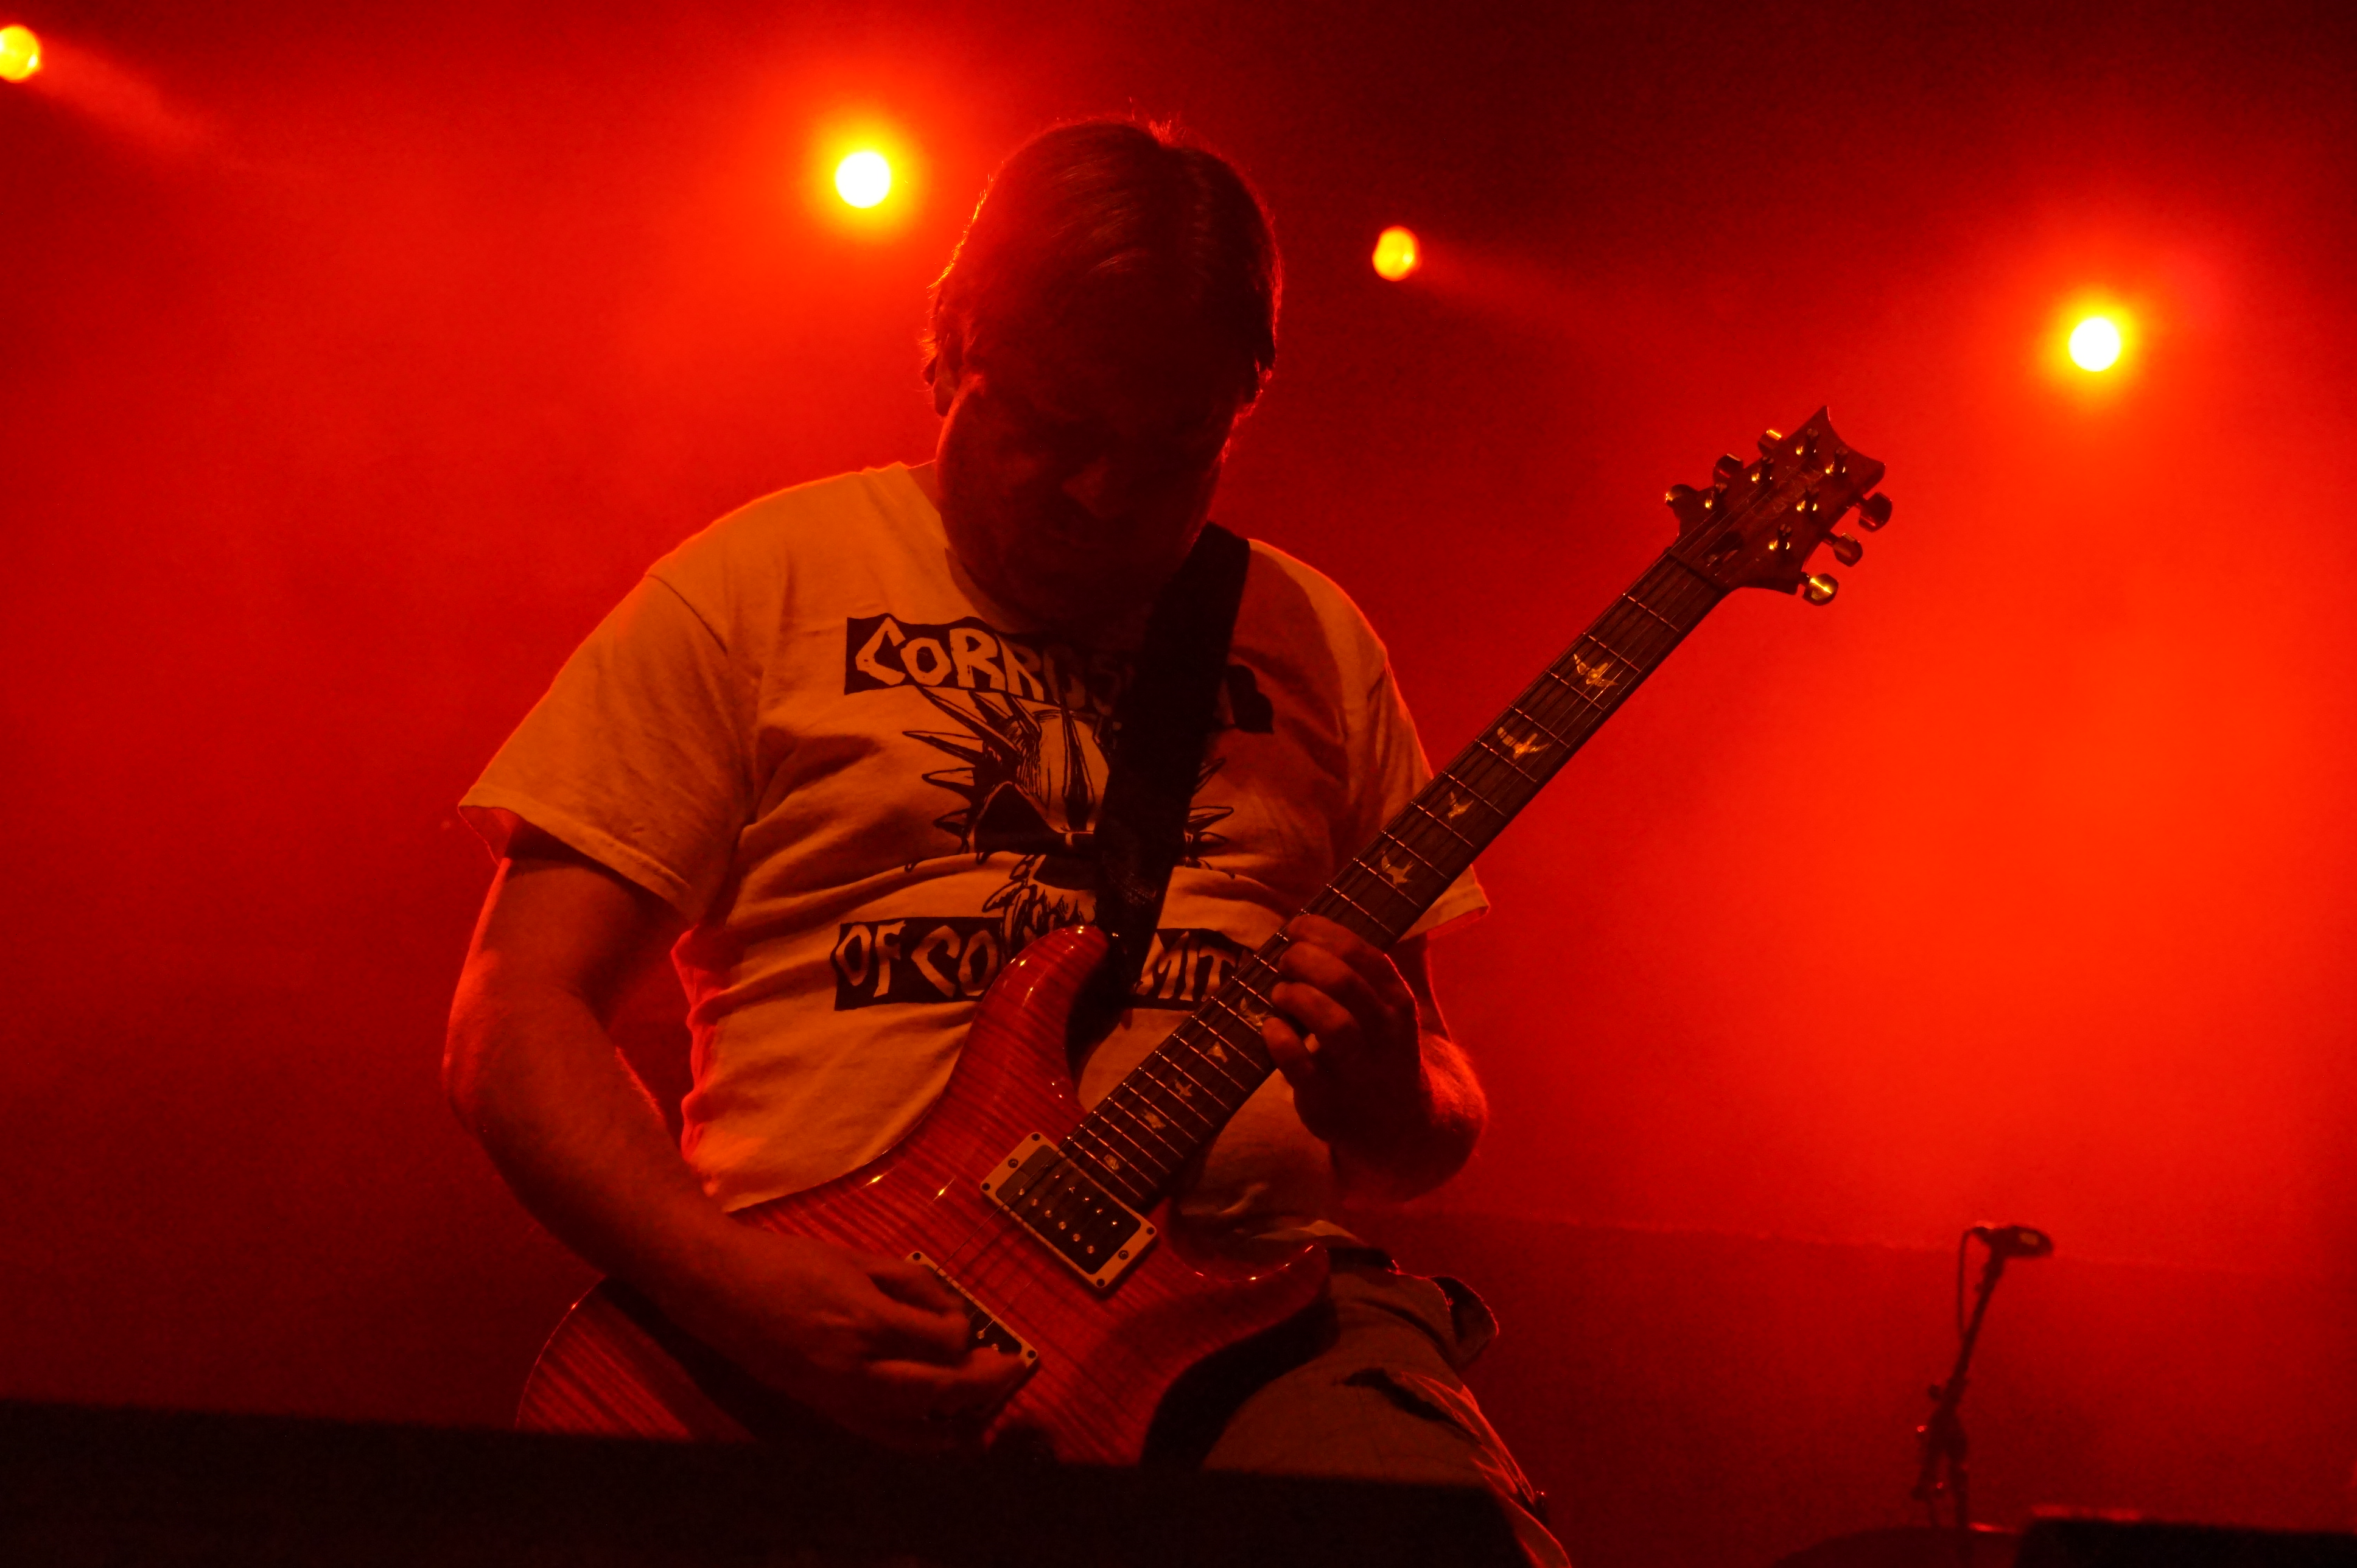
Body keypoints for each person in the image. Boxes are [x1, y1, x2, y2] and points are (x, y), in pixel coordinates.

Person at [444, 118, 1567, 1566]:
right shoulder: (756, 584)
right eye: (1057, 425)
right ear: (947, 351)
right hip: (816, 1339)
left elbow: (1427, 1122)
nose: (1104, 492)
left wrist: (1392, 1089)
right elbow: (515, 1013)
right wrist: (732, 1286)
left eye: (1172, 449)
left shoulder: (1312, 634)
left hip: (1258, 1332)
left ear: (1240, 408)